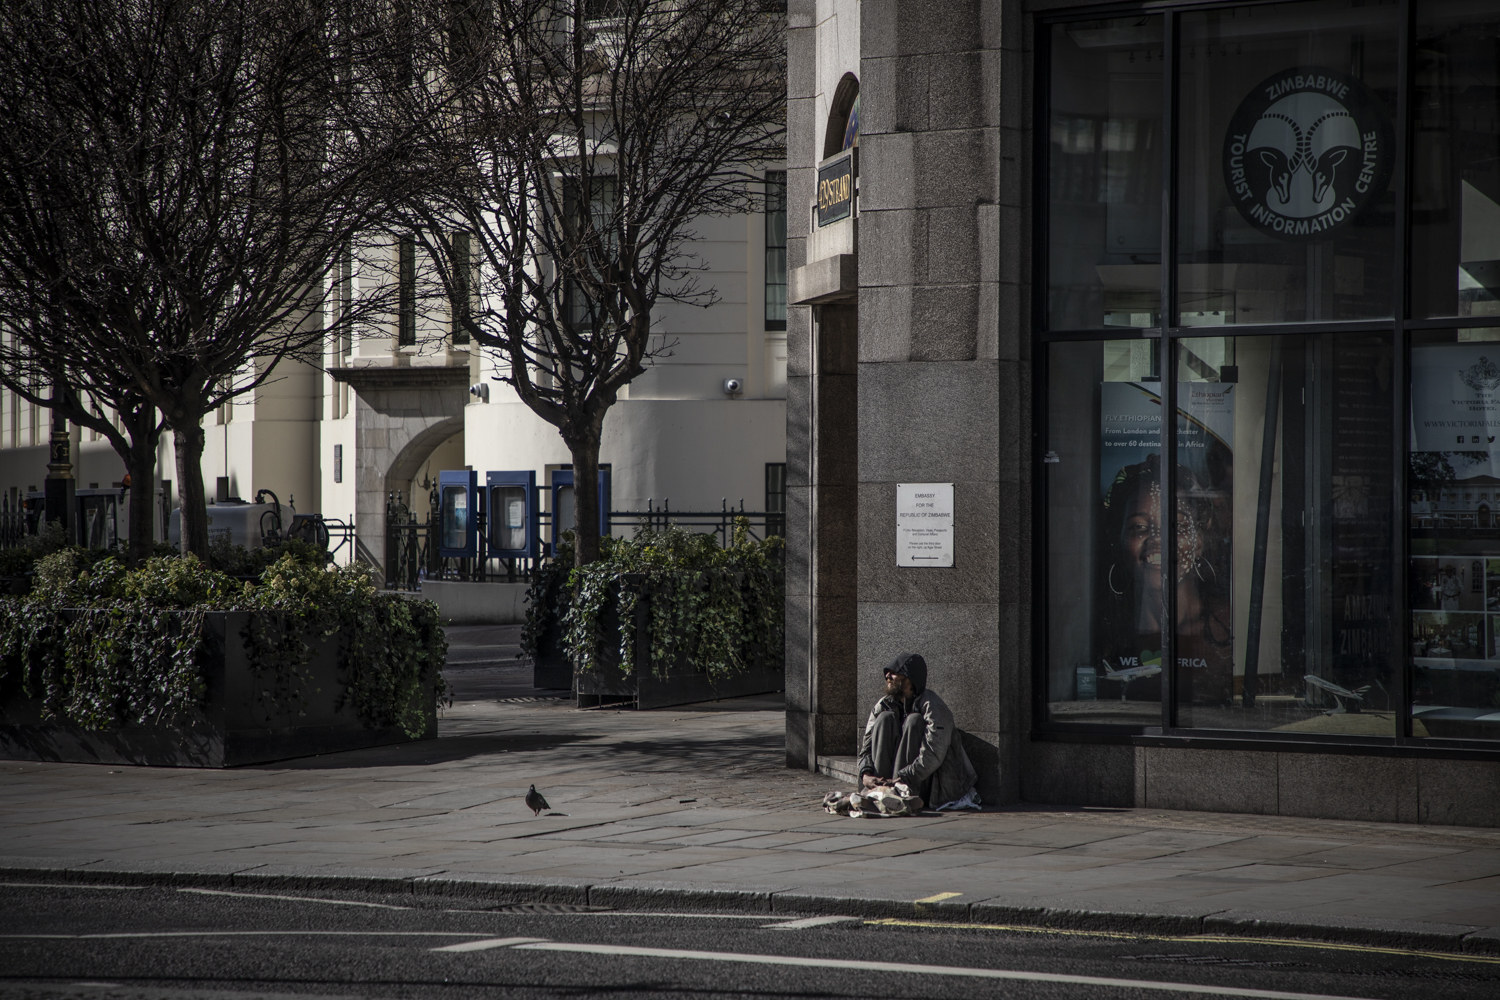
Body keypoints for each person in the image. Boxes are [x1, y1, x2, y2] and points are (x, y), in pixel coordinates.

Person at [856, 653, 978, 811]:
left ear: (909, 679)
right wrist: (866, 775)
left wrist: (904, 777)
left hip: (924, 782)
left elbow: (934, 752)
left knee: (914, 721)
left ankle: (901, 794)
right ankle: (879, 792)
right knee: (884, 718)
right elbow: (866, 747)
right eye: (888, 672)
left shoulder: (933, 705)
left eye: (894, 673)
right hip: (891, 780)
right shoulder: (884, 704)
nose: (887, 676)